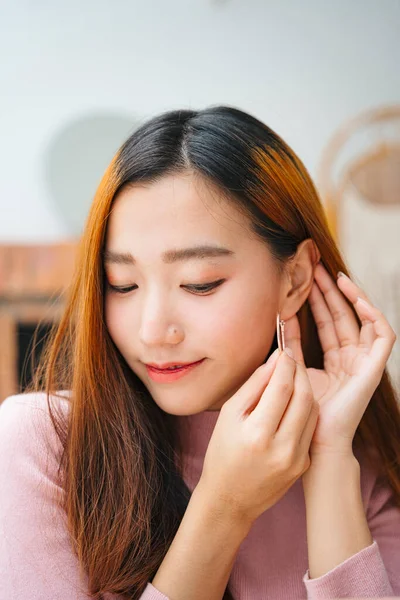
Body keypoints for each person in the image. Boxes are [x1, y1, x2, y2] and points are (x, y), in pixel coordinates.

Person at [0, 105, 399, 600]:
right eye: (121, 284)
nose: (152, 331)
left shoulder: (367, 467)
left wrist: (330, 456)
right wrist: (223, 507)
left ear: (294, 278)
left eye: (199, 284)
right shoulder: (41, 444)